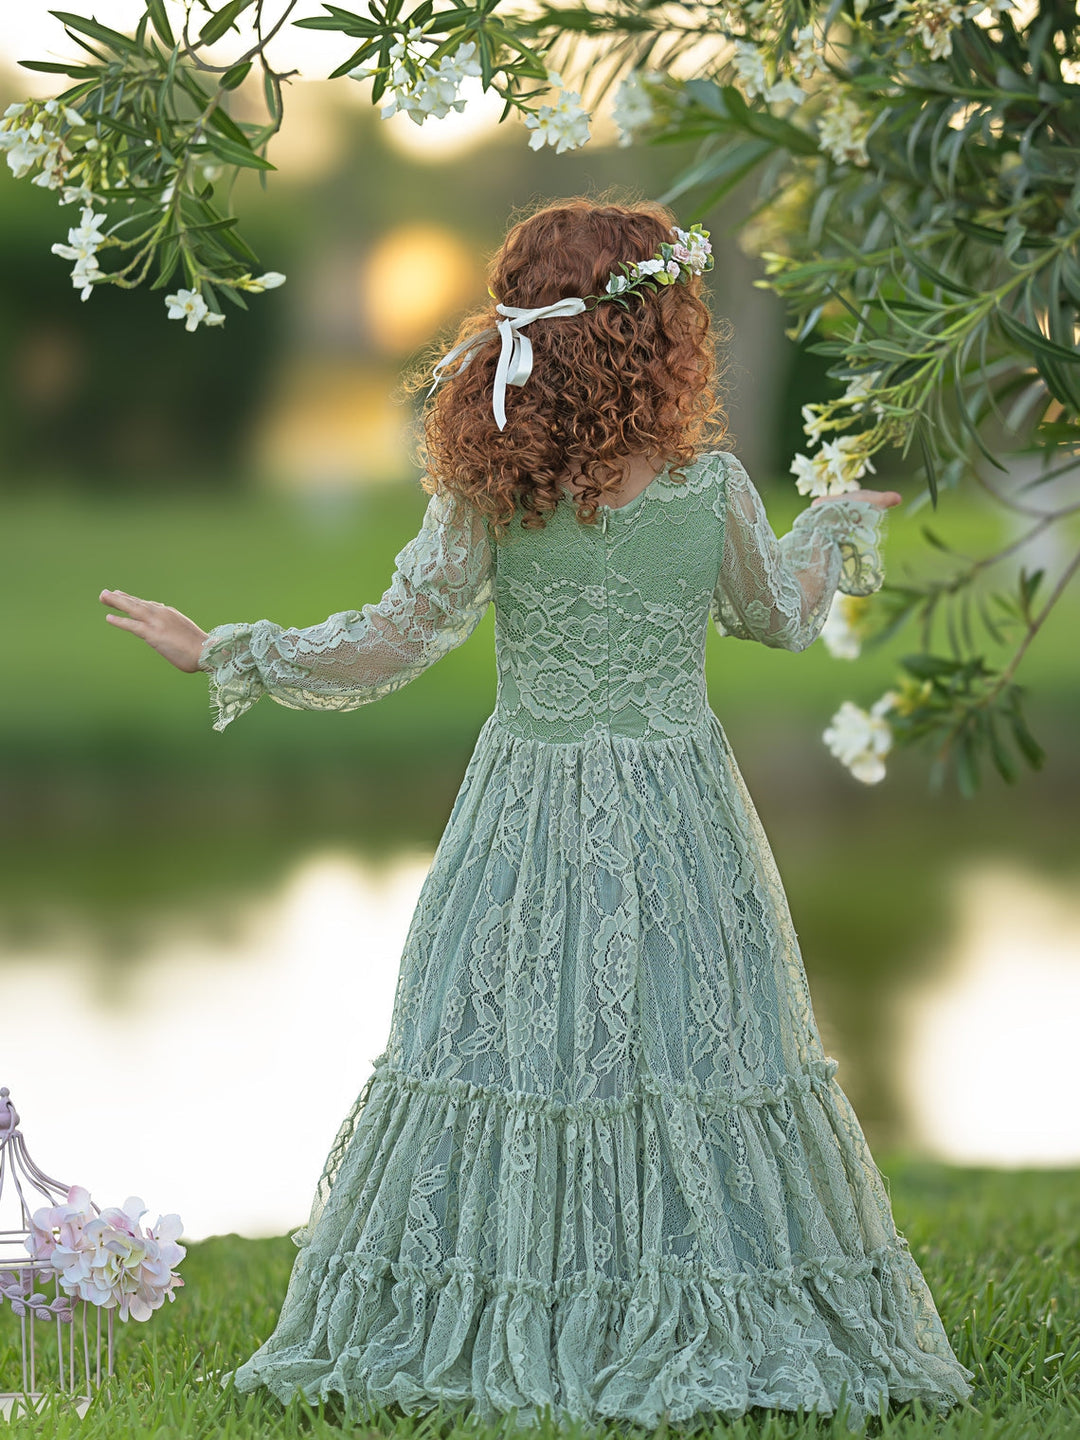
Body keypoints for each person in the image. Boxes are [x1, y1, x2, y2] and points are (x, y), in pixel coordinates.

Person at [98, 197, 974, 1429]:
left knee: (515, 1043)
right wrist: (827, 530)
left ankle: (531, 1297)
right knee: (686, 1043)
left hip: (530, 800)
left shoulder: (492, 490)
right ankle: (674, 1290)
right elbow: (778, 614)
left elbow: (396, 637)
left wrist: (230, 649)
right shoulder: (708, 488)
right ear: (658, 335)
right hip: (678, 806)